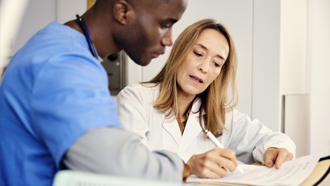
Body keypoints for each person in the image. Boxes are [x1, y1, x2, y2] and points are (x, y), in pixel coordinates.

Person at [0, 0, 190, 185]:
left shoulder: (56, 44)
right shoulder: (64, 63)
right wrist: (176, 167)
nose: (169, 40)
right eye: (165, 25)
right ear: (123, 12)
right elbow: (113, 166)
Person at [116, 19, 296, 179]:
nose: (204, 68)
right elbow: (129, 159)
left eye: (216, 63)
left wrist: (273, 149)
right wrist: (189, 164)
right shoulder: (135, 98)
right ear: (180, 51)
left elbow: (275, 139)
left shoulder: (221, 116)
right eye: (198, 53)